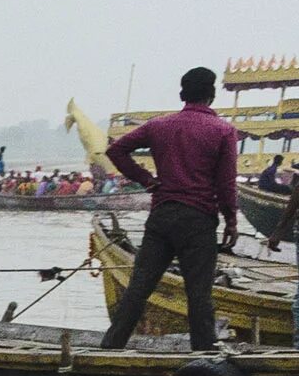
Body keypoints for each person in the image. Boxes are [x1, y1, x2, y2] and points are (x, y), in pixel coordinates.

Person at [103, 65, 242, 351]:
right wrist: (231, 221)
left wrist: (147, 180)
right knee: (198, 294)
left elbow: (115, 150)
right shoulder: (223, 131)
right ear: (211, 96)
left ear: (183, 94)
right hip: (199, 219)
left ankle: (109, 347)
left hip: (162, 215)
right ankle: (204, 354)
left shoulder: (159, 126)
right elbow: (226, 184)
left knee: (138, 289)